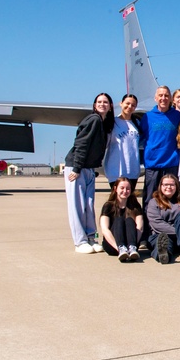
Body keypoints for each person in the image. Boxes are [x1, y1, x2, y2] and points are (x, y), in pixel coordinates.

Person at [65, 93, 115, 254]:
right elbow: (81, 143)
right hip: (77, 168)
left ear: (110, 106)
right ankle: (79, 242)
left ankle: (91, 238)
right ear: (94, 105)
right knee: (78, 206)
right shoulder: (93, 120)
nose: (102, 104)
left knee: (88, 206)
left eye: (105, 102)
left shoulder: (103, 122)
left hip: (88, 169)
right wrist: (77, 168)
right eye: (99, 102)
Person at [138, 86, 180, 209]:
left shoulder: (177, 116)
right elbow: (139, 137)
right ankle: (147, 227)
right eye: (161, 95)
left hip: (171, 164)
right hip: (153, 165)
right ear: (155, 98)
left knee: (172, 197)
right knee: (150, 198)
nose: (163, 98)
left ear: (171, 99)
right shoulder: (147, 117)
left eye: (166, 95)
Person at [146, 174, 180, 263]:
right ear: (160, 186)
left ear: (176, 187)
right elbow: (156, 223)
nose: (169, 187)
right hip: (161, 235)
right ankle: (164, 254)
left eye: (172, 185)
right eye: (165, 185)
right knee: (163, 243)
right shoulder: (154, 202)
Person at [98, 177, 144, 262]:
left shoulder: (135, 206)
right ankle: (121, 248)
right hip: (113, 244)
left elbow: (140, 228)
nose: (125, 191)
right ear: (115, 189)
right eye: (122, 188)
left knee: (129, 220)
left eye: (128, 189)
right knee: (119, 220)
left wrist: (134, 244)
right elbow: (105, 230)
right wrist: (119, 248)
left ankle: (132, 247)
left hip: (131, 245)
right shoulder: (108, 206)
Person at [104, 94, 141, 190]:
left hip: (132, 170)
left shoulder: (136, 123)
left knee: (129, 201)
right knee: (117, 200)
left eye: (133, 105)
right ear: (121, 103)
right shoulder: (113, 122)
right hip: (116, 170)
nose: (129, 107)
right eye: (127, 103)